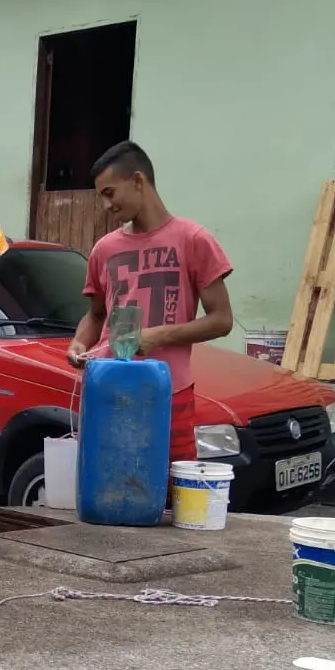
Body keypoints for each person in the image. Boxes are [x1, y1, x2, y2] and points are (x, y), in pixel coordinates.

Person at [67, 140, 234, 468]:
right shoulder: (105, 249)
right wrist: (78, 342)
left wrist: (156, 337)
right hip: (109, 386)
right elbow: (96, 314)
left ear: (139, 181)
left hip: (171, 390)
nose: (105, 206)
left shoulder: (194, 239)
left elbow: (222, 320)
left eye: (109, 193)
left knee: (174, 492)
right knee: (110, 483)